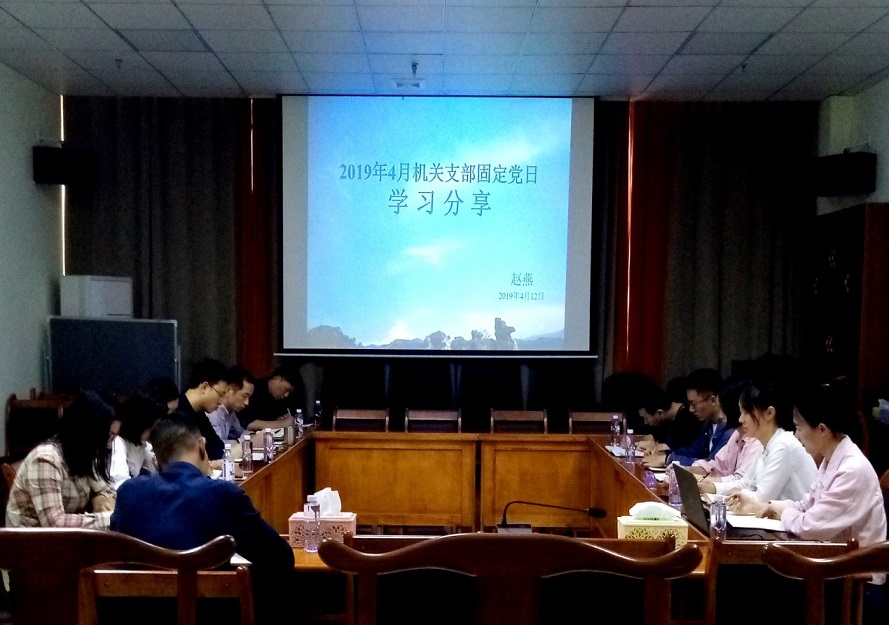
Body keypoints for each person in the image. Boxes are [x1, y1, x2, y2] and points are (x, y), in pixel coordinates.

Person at [111, 414, 294, 624]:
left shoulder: (128, 493)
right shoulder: (222, 494)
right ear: (202, 447)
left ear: (155, 459)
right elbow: (280, 557)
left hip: (137, 614)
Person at [730, 381, 887, 623]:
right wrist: (768, 508)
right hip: (833, 569)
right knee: (750, 581)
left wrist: (781, 513)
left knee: (755, 585)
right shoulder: (832, 458)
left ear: (821, 429)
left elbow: (810, 525)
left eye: (799, 428)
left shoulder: (852, 469)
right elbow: (806, 504)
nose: (796, 435)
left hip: (856, 584)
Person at [6, 391, 119, 528]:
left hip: (62, 537)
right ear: (87, 432)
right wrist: (110, 519)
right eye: (108, 436)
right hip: (31, 539)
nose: (109, 445)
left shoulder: (81, 455)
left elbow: (107, 490)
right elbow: (54, 523)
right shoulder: (46, 460)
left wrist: (100, 498)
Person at [701, 377, 817, 501]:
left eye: (746, 413)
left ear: (769, 413)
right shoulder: (766, 443)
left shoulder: (783, 445)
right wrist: (711, 487)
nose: (740, 419)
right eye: (741, 412)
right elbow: (746, 483)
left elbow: (761, 497)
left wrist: (727, 494)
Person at [688, 379, 762, 481]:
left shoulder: (757, 440)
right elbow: (716, 466)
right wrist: (686, 471)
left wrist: (702, 481)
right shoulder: (737, 434)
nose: (720, 415)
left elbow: (741, 481)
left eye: (722, 408)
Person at [665, 369, 733, 466]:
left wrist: (669, 459)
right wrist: (665, 452)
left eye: (693, 404)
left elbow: (711, 464)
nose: (691, 410)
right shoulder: (707, 424)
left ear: (713, 400)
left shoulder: (729, 429)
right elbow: (693, 451)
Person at [109, 390, 168, 489]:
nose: (156, 433)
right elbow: (121, 486)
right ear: (141, 423)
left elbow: (156, 473)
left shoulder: (143, 444)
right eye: (152, 428)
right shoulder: (117, 443)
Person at [636, 377, 700, 467]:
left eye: (646, 418)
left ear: (659, 413)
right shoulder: (664, 421)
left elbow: (664, 450)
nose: (645, 422)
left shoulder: (688, 419)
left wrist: (656, 449)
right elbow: (651, 440)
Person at [177, 358, 228, 462]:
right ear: (205, 387)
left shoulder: (199, 412)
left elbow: (218, 447)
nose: (221, 402)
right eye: (220, 395)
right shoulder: (177, 412)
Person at [238, 364, 302, 432]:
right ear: (278, 378)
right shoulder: (255, 389)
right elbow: (250, 424)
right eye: (286, 389)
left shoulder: (279, 399)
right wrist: (282, 424)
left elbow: (284, 416)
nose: (286, 395)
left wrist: (283, 419)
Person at [207, 365, 254, 441]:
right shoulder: (212, 412)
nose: (247, 403)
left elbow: (240, 432)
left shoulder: (230, 411)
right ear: (228, 390)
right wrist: (249, 441)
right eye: (244, 396)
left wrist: (252, 436)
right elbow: (219, 446)